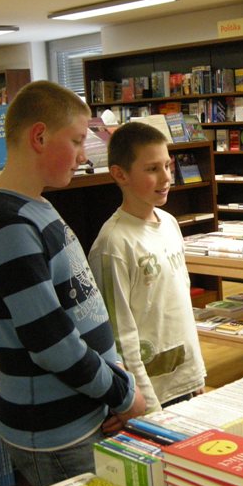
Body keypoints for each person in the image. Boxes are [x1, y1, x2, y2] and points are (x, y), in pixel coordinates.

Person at [0, 81, 145, 486]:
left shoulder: (37, 206)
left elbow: (80, 305)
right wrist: (122, 394)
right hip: (60, 433)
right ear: (40, 137)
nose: (84, 156)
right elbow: (52, 343)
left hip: (84, 412)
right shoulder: (9, 226)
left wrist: (114, 379)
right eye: (77, 141)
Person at [88, 122, 206, 412]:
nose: (166, 177)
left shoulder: (169, 223)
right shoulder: (114, 243)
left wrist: (196, 373)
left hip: (186, 380)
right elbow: (120, 335)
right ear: (120, 174)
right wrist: (146, 405)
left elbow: (180, 306)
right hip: (150, 395)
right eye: (152, 169)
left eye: (167, 165)